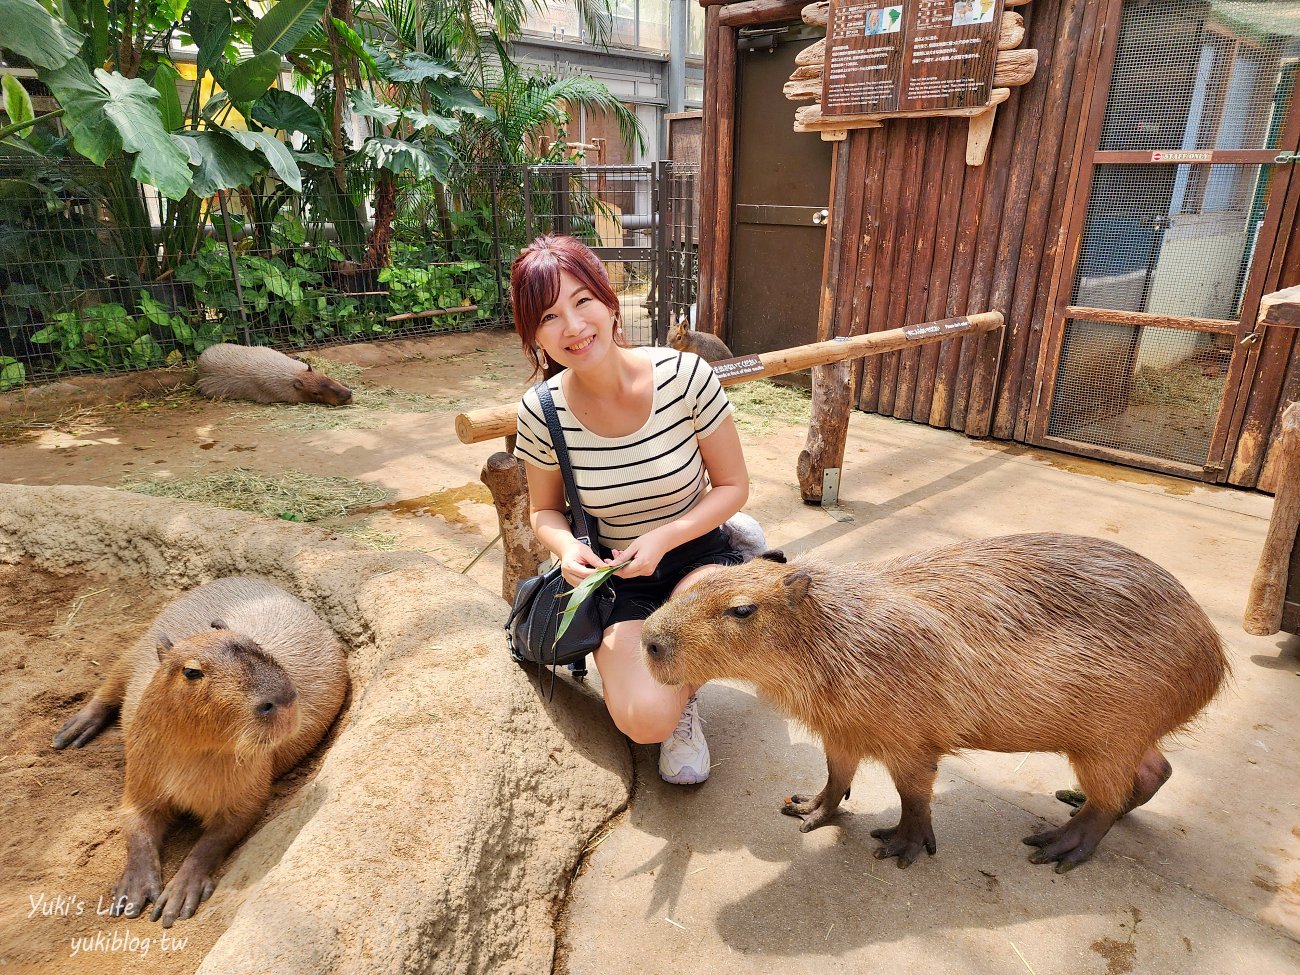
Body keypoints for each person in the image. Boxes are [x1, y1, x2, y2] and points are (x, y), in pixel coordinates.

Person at [511, 235, 750, 785]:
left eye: (582, 301)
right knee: (643, 722)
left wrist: (667, 537)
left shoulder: (686, 378)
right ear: (534, 335)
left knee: (734, 625)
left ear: (609, 299)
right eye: (549, 316)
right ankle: (665, 689)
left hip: (698, 557)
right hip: (618, 577)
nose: (572, 326)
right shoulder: (541, 413)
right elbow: (544, 512)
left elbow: (733, 486)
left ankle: (685, 696)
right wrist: (568, 548)